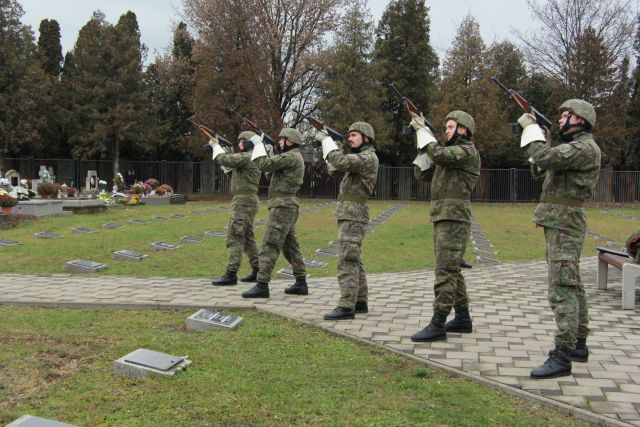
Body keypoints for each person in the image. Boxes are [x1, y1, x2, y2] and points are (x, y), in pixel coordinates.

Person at [518, 99, 601, 379]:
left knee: (562, 287)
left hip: (565, 223)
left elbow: (543, 158)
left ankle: (562, 354)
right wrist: (542, 137)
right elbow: (539, 168)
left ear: (582, 120)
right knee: (571, 282)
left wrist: (531, 130)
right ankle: (578, 343)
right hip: (560, 221)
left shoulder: (584, 148)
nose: (561, 119)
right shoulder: (574, 148)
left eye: (567, 115)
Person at [409, 111, 480, 342]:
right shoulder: (447, 155)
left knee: (445, 271)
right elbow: (422, 175)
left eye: (450, 127)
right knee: (452, 269)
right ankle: (462, 318)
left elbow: (439, 155)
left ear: (463, 129)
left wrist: (424, 133)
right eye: (445, 127)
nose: (446, 131)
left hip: (454, 219)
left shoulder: (467, 151)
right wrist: (422, 147)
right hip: (443, 216)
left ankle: (438, 322)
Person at [316, 122, 379, 320]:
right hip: (350, 213)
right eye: (349, 135)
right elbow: (335, 168)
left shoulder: (368, 157)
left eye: (354, 135)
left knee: (346, 259)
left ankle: (346, 305)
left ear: (366, 138)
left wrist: (327, 141)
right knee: (354, 257)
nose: (350, 138)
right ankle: (360, 301)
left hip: (354, 213)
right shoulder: (358, 158)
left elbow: (341, 162)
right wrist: (333, 146)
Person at [241, 128, 307, 298]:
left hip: (282, 207)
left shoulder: (291, 157)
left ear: (290, 141)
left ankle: (262, 285)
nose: (279, 142)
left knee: (269, 244)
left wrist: (259, 146)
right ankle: (301, 282)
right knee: (290, 247)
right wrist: (269, 154)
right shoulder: (290, 157)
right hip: (286, 206)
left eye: (282, 140)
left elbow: (263, 164)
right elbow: (271, 175)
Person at [209, 131, 261, 286]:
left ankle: (231, 273)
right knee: (247, 238)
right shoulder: (251, 157)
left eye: (242, 142)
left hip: (243, 202)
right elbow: (230, 166)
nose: (239, 144)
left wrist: (216, 146)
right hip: (248, 200)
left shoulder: (247, 157)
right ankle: (257, 270)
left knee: (234, 236)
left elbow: (224, 159)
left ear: (249, 143)